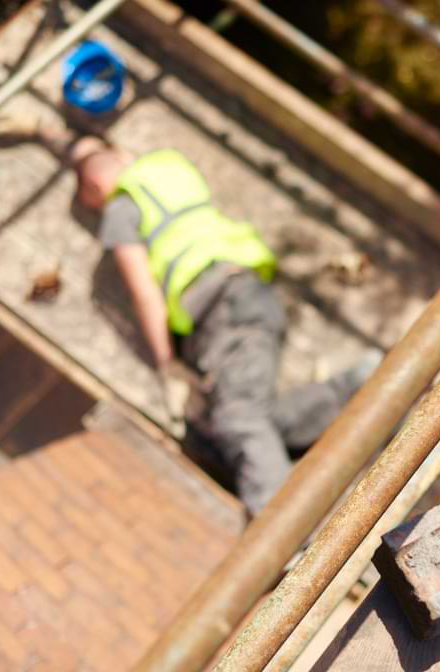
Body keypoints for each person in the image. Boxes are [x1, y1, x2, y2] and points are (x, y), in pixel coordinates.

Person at [66, 135, 379, 513]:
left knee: (238, 419)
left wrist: (168, 366)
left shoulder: (120, 206)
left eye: (85, 194)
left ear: (95, 185)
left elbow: (144, 292)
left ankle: (285, 539)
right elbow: (104, 157)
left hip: (221, 308)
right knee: (248, 419)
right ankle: (361, 386)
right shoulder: (166, 165)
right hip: (249, 294)